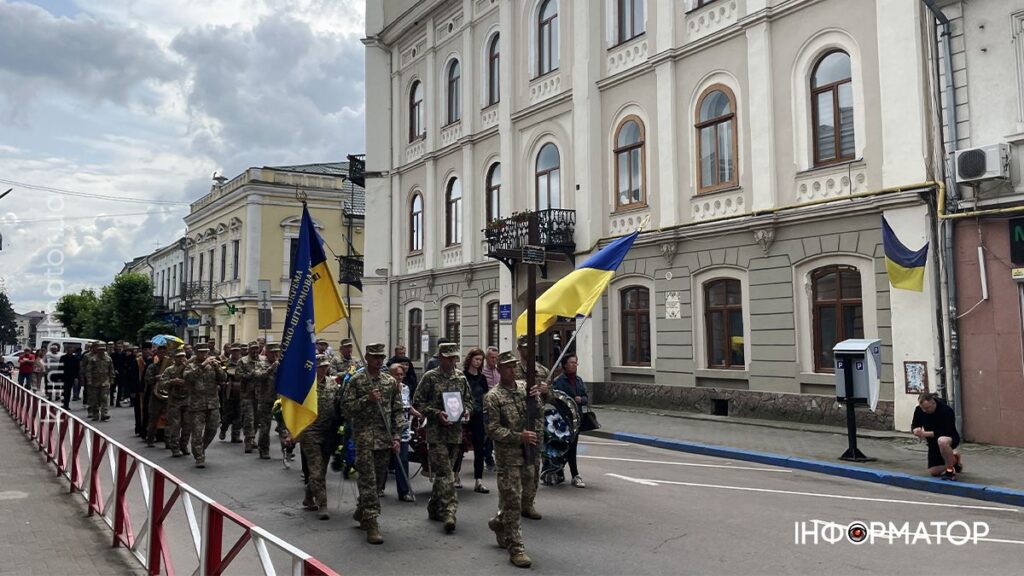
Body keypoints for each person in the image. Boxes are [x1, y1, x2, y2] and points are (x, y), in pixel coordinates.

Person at [484, 351, 551, 569]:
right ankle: (516, 548)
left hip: (528, 453)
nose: (512, 370)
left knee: (522, 495)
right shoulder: (493, 397)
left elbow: (538, 413)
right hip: (508, 457)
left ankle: (499, 521)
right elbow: (492, 429)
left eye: (514, 366)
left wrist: (538, 396)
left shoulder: (524, 388)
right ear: (499, 370)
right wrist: (518, 436)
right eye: (507, 367)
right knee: (512, 500)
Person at [344, 343, 404, 543]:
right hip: (364, 439)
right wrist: (366, 399)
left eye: (381, 357)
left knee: (378, 483)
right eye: (375, 357)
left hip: (384, 440)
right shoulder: (357, 380)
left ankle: (362, 510)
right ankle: (372, 523)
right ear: (367, 358)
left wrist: (397, 436)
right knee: (367, 480)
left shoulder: (390, 382)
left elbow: (398, 411)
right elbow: (346, 408)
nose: (378, 361)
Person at [412, 342, 473, 534]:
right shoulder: (430, 377)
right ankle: (449, 512)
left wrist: (467, 411)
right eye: (448, 358)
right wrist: (436, 413)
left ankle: (434, 506)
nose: (452, 361)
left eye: (454, 357)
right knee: (446, 473)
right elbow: (418, 402)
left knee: (443, 474)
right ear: (440, 358)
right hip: (436, 433)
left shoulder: (460, 377)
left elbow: (469, 400)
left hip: (455, 433)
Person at [299, 355, 342, 520]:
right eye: (320, 367)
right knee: (316, 470)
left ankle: (308, 496)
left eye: (325, 367)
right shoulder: (304, 385)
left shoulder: (332, 383)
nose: (323, 369)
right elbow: (292, 408)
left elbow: (338, 403)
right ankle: (322, 504)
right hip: (310, 431)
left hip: (328, 431)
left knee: (321, 469)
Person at [184, 345, 226, 468]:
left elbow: (223, 379)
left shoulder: (212, 365)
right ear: (196, 352)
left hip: (213, 403)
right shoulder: (190, 365)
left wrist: (217, 367)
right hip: (197, 404)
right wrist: (202, 365)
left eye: (205, 352)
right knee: (197, 432)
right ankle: (199, 456)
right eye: (201, 352)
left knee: (213, 429)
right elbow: (188, 377)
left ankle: (201, 448)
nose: (203, 355)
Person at [383, 361, 419, 503]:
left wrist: (420, 415)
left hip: (402, 429)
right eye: (396, 374)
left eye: (401, 374)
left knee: (403, 460)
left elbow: (408, 407)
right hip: (386, 429)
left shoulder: (405, 388)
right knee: (384, 461)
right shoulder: (385, 389)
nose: (399, 377)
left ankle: (404, 492)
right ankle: (379, 487)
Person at [456, 347, 489, 494]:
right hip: (463, 414)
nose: (478, 362)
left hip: (478, 415)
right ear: (470, 359)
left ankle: (478, 480)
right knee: (459, 446)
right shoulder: (462, 376)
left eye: (481, 360)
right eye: (476, 359)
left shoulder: (482, 378)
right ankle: (455, 475)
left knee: (479, 447)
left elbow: (485, 396)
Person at [553, 354, 588, 488]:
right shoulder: (559, 381)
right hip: (563, 421)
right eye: (571, 362)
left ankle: (568, 473)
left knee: (572, 448)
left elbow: (585, 397)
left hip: (576, 420)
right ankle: (567, 473)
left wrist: (581, 400)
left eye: (575, 362)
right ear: (565, 365)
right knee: (565, 448)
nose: (574, 365)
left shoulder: (578, 380)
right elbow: (556, 399)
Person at [911, 392, 964, 480]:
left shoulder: (946, 410)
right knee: (934, 472)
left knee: (942, 441)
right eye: (922, 408)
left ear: (933, 402)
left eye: (927, 408)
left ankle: (950, 471)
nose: (925, 410)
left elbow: (947, 431)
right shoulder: (919, 410)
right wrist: (916, 430)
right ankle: (954, 459)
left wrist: (925, 434)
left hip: (949, 438)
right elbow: (915, 425)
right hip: (933, 443)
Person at [254, 343, 281, 460]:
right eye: (273, 352)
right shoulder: (260, 363)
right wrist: (271, 368)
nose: (275, 354)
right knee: (265, 426)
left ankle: (287, 449)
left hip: (280, 399)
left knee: (284, 426)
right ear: (267, 353)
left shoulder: (282, 364)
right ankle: (264, 449)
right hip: (265, 399)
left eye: (277, 352)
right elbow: (258, 376)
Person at [146, 353, 176, 448]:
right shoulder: (152, 367)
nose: (163, 354)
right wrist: (155, 378)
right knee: (153, 419)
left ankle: (168, 441)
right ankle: (150, 439)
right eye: (160, 352)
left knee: (169, 419)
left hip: (168, 395)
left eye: (164, 351)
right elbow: (147, 380)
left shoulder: (172, 368)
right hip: (156, 396)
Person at [237, 341, 261, 453]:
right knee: (249, 419)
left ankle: (252, 437)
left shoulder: (263, 360)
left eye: (256, 348)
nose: (255, 351)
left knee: (257, 419)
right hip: (247, 394)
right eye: (252, 348)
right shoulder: (243, 361)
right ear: (249, 349)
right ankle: (248, 440)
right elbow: (238, 375)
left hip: (260, 394)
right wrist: (250, 374)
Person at [219, 344, 244, 443]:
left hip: (241, 391)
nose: (235, 353)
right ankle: (223, 429)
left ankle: (235, 435)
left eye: (237, 351)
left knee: (239, 414)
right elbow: (222, 375)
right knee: (228, 414)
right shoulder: (225, 363)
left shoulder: (243, 362)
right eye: (233, 351)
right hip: (229, 391)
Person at [481, 346, 500, 470]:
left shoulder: (500, 371)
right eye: (492, 357)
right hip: (486, 408)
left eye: (496, 358)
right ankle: (488, 459)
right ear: (487, 358)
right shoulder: (482, 372)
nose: (494, 360)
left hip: (499, 407)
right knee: (487, 435)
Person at [85, 343, 116, 421]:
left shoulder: (108, 359)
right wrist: (89, 381)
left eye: (103, 350)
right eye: (99, 350)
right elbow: (88, 371)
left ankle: (104, 414)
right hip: (94, 382)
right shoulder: (92, 359)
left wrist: (112, 379)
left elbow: (111, 369)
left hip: (105, 382)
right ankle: (95, 414)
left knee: (104, 398)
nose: (101, 351)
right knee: (95, 399)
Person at [59, 345, 81, 410]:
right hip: (64, 376)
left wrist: (76, 377)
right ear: (67, 350)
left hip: (72, 377)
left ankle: (66, 404)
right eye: (69, 350)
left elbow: (77, 368)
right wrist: (59, 376)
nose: (70, 351)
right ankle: (65, 403)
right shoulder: (63, 358)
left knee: (68, 391)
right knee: (65, 390)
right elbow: (60, 367)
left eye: (71, 350)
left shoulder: (75, 358)